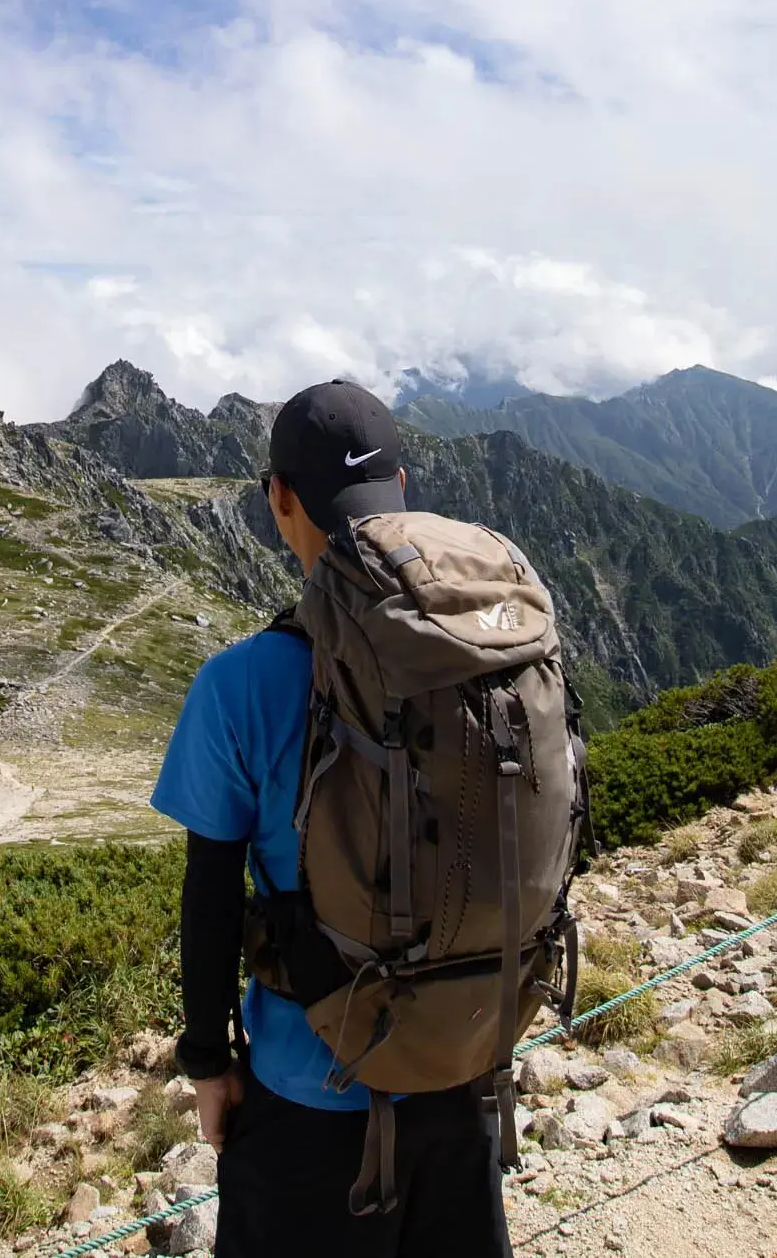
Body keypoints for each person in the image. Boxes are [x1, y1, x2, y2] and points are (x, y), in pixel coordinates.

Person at [151, 378, 515, 1258]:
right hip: (463, 1071)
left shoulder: (239, 685)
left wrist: (208, 1065)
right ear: (403, 487)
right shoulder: (490, 640)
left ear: (280, 500)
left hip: (308, 1088)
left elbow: (209, 895)